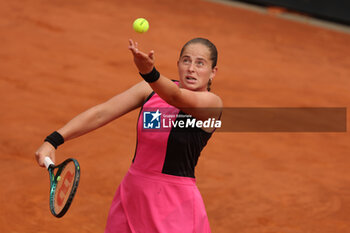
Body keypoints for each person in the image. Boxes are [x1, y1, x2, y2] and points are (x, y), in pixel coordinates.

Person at [35, 37, 223, 232]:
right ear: (178, 64)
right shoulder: (150, 91)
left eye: (200, 63)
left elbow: (176, 97)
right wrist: (53, 140)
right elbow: (103, 113)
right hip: (132, 194)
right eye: (186, 60)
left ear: (212, 72)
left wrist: (150, 73)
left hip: (173, 205)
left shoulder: (212, 104)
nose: (191, 68)